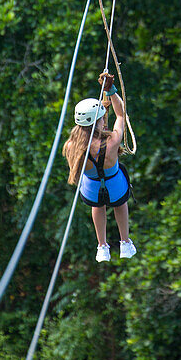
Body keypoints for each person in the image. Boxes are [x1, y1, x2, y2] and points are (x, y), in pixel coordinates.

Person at [62, 71, 136, 263]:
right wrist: (111, 90)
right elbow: (121, 114)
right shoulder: (111, 141)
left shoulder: (72, 146)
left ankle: (102, 246)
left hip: (92, 185)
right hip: (114, 181)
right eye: (102, 118)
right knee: (120, 204)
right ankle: (125, 242)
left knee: (98, 206)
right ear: (98, 121)